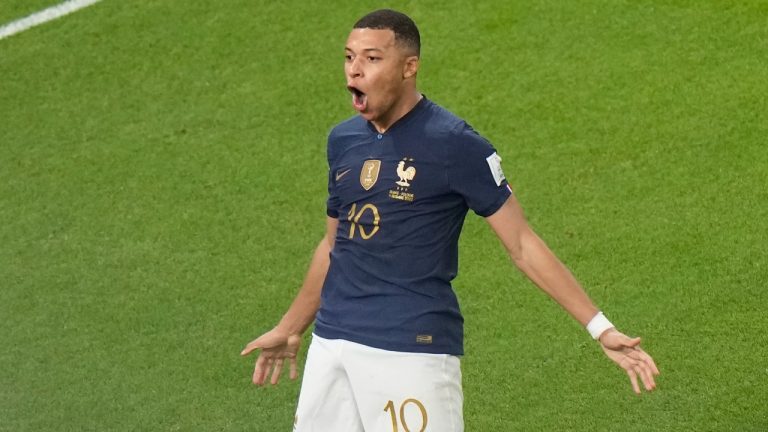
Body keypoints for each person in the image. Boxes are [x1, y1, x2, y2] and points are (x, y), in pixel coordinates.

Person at [241, 9, 659, 431]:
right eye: (349, 58)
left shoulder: (454, 144)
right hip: (332, 343)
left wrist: (600, 327)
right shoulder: (343, 140)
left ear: (409, 67)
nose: (355, 70)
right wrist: (290, 327)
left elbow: (522, 244)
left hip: (410, 348)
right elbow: (335, 245)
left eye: (371, 58)